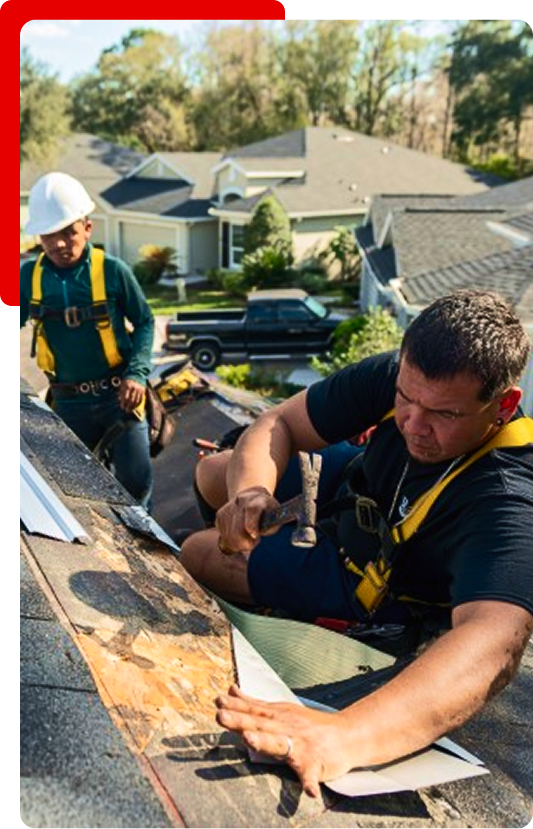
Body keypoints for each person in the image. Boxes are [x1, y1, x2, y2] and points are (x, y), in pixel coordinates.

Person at [179, 289, 533, 797]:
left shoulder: (507, 499)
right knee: (217, 473)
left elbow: (493, 644)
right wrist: (250, 495)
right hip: (355, 492)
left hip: (373, 576)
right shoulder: (405, 377)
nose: (413, 424)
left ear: (503, 407)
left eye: (443, 415)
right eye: (405, 399)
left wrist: (342, 736)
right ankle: (250, 534)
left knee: (196, 552)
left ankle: (266, 585)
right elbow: (278, 422)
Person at [20, 172, 155, 510]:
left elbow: (144, 322)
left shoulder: (112, 270)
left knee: (137, 485)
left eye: (69, 232)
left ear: (87, 228)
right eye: (50, 235)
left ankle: (150, 556)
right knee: (75, 489)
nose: (61, 243)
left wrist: (137, 374)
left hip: (119, 399)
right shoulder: (28, 277)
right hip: (69, 404)